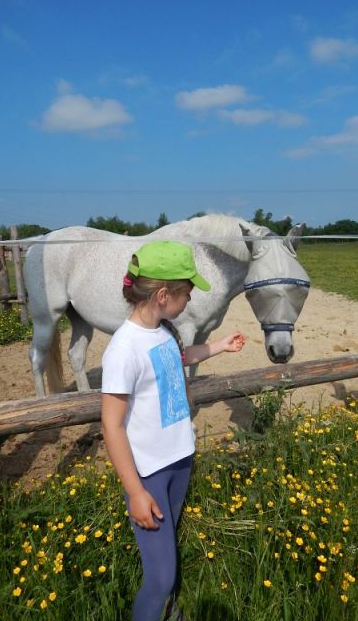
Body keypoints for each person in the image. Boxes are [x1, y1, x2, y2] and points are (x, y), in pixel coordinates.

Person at [101, 240, 245, 621]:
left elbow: (179, 358)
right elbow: (112, 425)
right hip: (149, 472)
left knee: (169, 553)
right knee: (161, 576)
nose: (190, 300)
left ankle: (169, 614)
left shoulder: (165, 331)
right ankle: (158, 609)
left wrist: (219, 346)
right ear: (164, 295)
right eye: (187, 292)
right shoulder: (123, 349)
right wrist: (134, 492)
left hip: (180, 459)